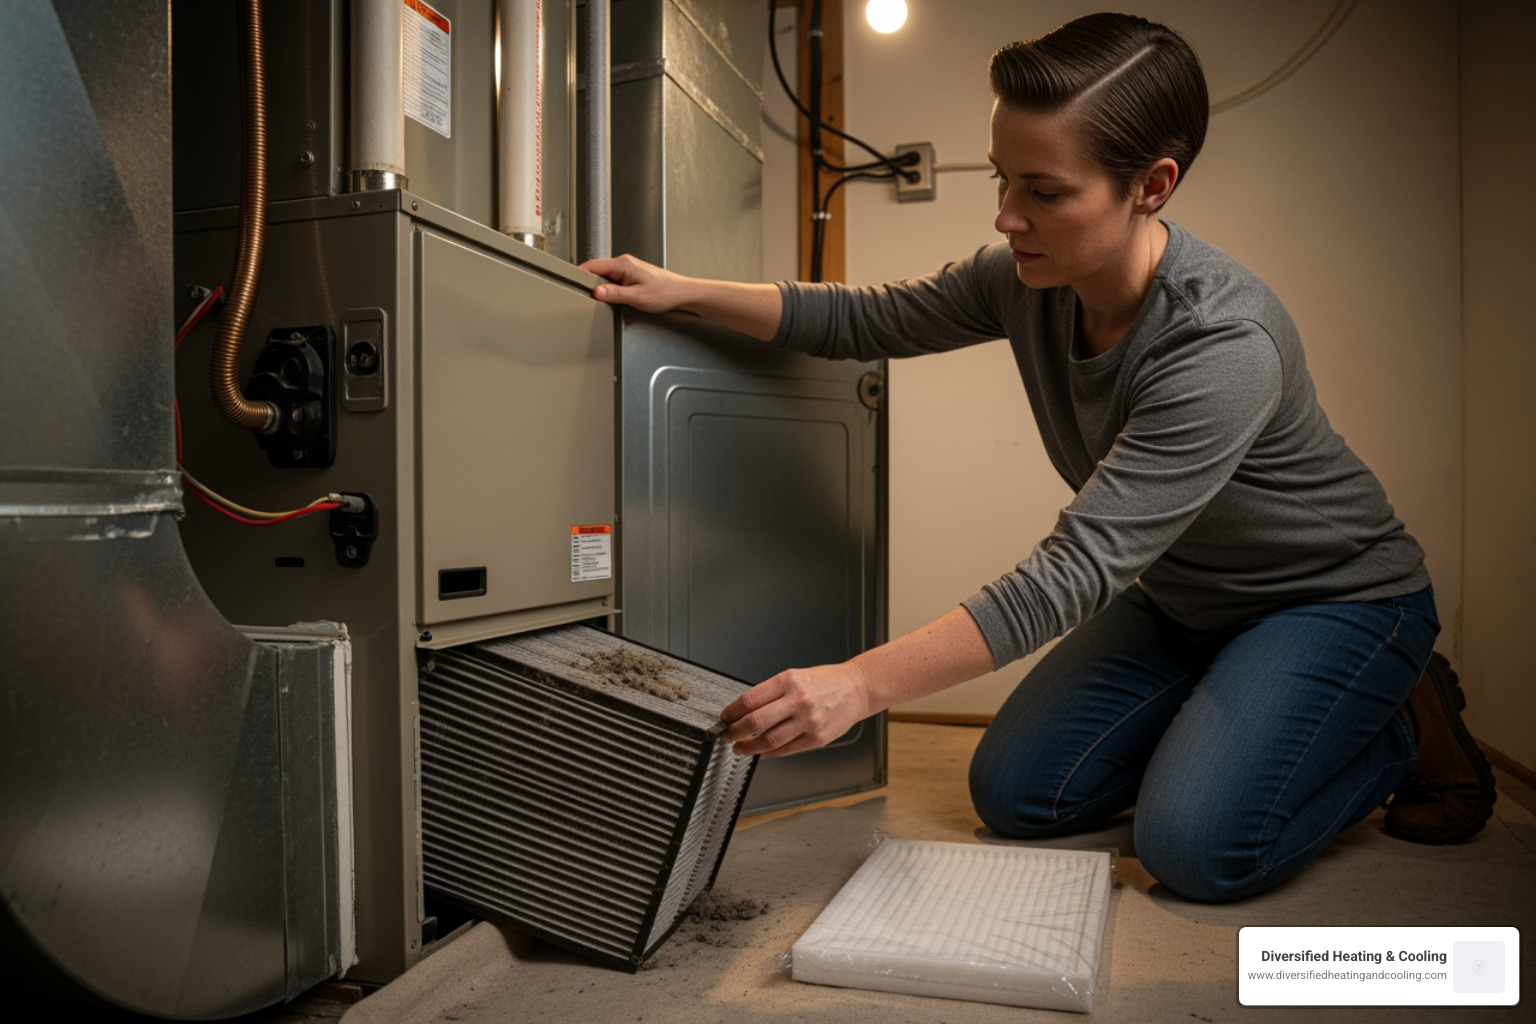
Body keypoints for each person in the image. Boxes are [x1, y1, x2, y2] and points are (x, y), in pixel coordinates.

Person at [580, 12, 1496, 902]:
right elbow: (864, 318)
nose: (1007, 216)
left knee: (1198, 847)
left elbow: (1074, 572)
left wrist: (859, 684)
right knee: (1020, 794)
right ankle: (1239, 717)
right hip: (1184, 600)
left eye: (1045, 192)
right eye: (1002, 178)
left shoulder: (1223, 342)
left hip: (1331, 600)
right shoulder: (1029, 281)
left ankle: (1401, 728)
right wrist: (681, 291)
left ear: (1153, 185)